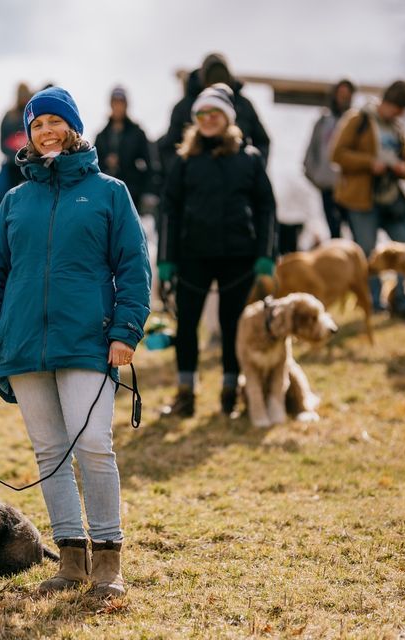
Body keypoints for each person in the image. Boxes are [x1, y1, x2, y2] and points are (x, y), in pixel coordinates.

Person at [0, 87, 151, 597]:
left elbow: (134, 269)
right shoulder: (14, 201)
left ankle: (108, 561)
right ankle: (71, 560)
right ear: (27, 134)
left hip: (88, 341)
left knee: (93, 444)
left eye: (55, 121)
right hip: (23, 345)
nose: (46, 131)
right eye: (37, 124)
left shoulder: (109, 192)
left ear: (72, 127)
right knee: (50, 452)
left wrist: (125, 331)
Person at [157, 84, 277, 418]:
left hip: (238, 256)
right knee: (187, 326)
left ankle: (230, 391)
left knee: (232, 326)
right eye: (202, 115)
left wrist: (266, 254)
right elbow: (170, 209)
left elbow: (267, 207)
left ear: (227, 118)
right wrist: (165, 259)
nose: (208, 119)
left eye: (215, 114)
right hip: (192, 254)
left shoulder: (249, 159)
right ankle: (185, 393)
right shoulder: (185, 161)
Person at [331, 79, 405, 319]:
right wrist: (369, 164)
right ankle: (373, 303)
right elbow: (337, 154)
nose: (397, 114)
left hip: (391, 199)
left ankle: (403, 300)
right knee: (367, 252)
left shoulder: (396, 129)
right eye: (395, 109)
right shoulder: (359, 119)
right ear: (386, 102)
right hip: (361, 200)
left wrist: (403, 169)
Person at [159, 53, 271, 169]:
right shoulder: (184, 107)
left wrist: (254, 168)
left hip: (238, 176)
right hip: (196, 178)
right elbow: (169, 147)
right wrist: (182, 173)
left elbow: (262, 140)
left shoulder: (243, 105)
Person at [303, 79, 355, 239]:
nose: (343, 98)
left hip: (351, 187)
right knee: (334, 231)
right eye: (341, 94)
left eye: (347, 95)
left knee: (355, 230)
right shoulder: (323, 121)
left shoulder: (356, 122)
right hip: (327, 185)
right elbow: (311, 151)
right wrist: (316, 176)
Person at [94, 85, 155, 211]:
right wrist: (107, 162)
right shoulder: (101, 135)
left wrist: (147, 192)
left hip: (132, 194)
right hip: (107, 194)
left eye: (121, 103)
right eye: (115, 103)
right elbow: (94, 165)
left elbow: (150, 162)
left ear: (126, 105)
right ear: (110, 105)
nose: (118, 106)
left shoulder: (138, 133)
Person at [0, 82, 32, 203]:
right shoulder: (9, 116)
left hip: (31, 166)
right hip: (12, 166)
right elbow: (2, 144)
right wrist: (17, 156)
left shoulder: (32, 115)